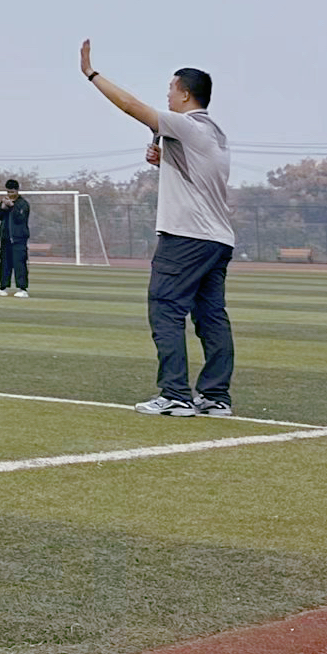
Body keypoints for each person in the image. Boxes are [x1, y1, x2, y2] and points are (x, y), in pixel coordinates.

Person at [81, 41, 236, 417]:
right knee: (211, 316)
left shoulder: (187, 125)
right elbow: (196, 175)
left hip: (186, 237)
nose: (167, 95)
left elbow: (131, 106)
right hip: (217, 239)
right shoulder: (214, 134)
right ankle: (215, 397)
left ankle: (176, 395)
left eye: (171, 89)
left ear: (185, 94)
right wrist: (164, 159)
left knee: (165, 308)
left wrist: (91, 73)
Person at [0, 179, 32, 296]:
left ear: (17, 191)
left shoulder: (23, 204)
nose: (10, 194)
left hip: (19, 239)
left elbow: (20, 218)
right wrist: (2, 207)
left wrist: (12, 207)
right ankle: (2, 288)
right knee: (4, 264)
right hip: (5, 239)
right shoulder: (4, 202)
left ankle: (22, 289)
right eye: (8, 192)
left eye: (12, 192)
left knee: (19, 264)